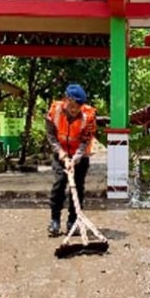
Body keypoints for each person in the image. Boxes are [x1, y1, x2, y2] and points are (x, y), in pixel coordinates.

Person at [46, 84, 97, 237]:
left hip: (80, 156)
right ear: (65, 100)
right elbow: (51, 136)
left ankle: (73, 221)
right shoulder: (54, 112)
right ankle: (55, 220)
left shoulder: (88, 116)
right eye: (72, 105)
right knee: (60, 183)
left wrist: (75, 159)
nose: (75, 110)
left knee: (77, 187)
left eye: (78, 106)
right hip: (60, 153)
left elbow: (85, 141)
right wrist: (61, 154)